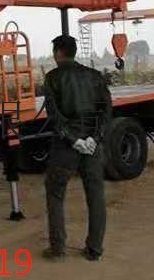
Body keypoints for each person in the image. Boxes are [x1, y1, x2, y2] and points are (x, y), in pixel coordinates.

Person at [42, 34, 112, 261]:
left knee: (55, 193)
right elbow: (106, 110)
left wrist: (73, 140)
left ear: (58, 53)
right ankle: (94, 249)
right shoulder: (94, 76)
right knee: (96, 195)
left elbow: (54, 115)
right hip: (92, 146)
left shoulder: (52, 78)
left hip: (66, 147)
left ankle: (58, 248)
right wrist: (94, 138)